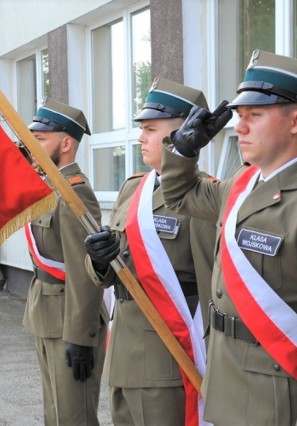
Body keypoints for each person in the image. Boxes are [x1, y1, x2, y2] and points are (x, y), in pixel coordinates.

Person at [160, 50, 297, 425]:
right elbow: (179, 195)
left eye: (254, 116)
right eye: (239, 117)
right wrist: (183, 150)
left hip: (275, 399)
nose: (239, 127)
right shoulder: (238, 186)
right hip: (225, 383)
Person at [83, 77, 217, 426]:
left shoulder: (204, 198)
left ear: (181, 134)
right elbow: (114, 270)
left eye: (151, 129)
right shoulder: (132, 189)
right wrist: (98, 261)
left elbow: (210, 283)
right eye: (142, 128)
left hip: (168, 358)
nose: (140, 137)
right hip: (123, 350)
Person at [22, 98, 108, 426]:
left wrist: (81, 336)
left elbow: (84, 272)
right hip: (46, 316)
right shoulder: (49, 186)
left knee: (74, 418)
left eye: (40, 139)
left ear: (66, 143)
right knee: (54, 416)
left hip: (68, 322)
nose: (32, 147)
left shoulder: (75, 192)